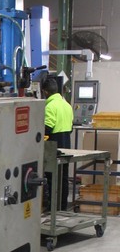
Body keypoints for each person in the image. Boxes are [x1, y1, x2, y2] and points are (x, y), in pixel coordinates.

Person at [41, 76, 74, 211]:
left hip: (54, 145)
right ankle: (62, 206)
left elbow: (47, 128)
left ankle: (52, 208)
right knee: (63, 177)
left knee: (51, 177)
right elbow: (70, 128)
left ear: (45, 92)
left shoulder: (50, 106)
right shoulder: (67, 105)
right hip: (66, 144)